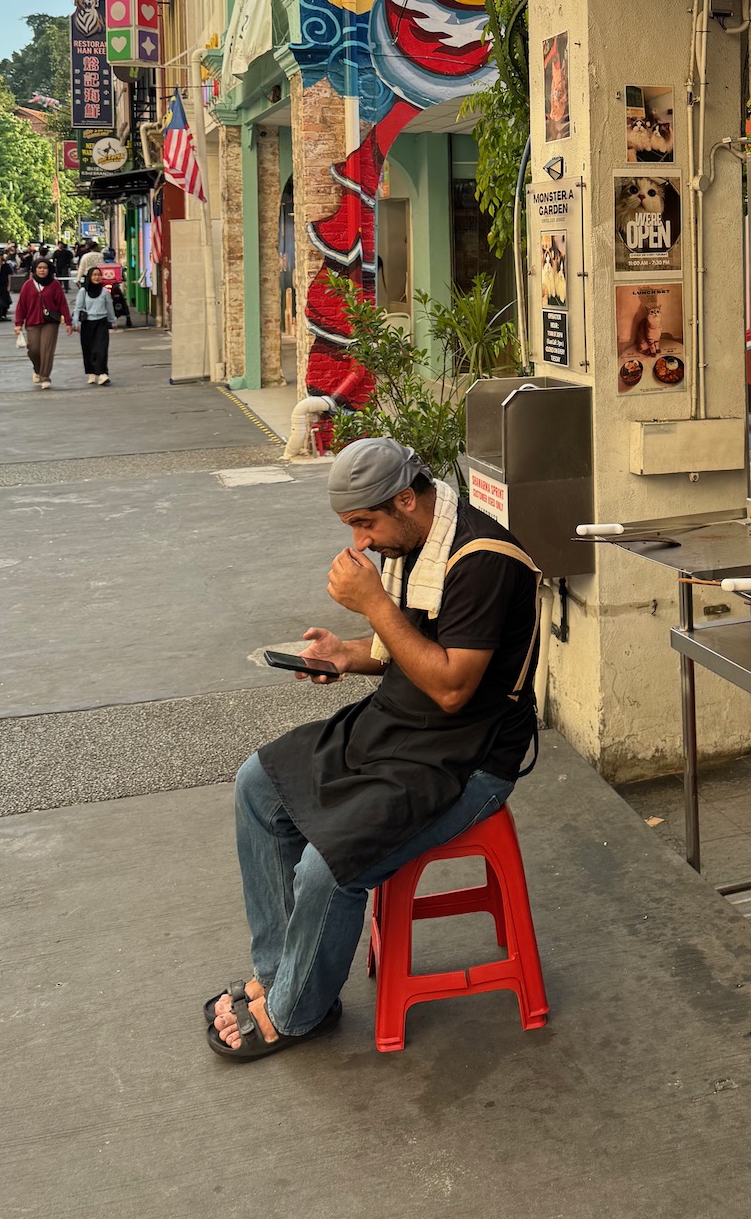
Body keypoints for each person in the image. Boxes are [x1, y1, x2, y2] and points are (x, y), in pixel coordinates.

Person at [205, 439, 540, 1062]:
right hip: (395, 726)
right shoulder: (412, 543)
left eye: (366, 524)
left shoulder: (483, 559)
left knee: (329, 864)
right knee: (258, 783)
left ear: (407, 500)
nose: (360, 542)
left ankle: (298, 1012)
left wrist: (375, 604)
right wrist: (345, 652)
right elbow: (397, 649)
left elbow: (450, 686)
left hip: (467, 757)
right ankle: (283, 974)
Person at [13, 255, 72, 389]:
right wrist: (18, 323)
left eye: (45, 268)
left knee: (47, 350)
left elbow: (62, 304)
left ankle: (45, 376)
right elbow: (21, 305)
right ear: (34, 269)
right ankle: (37, 370)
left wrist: (68, 322)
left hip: (51, 322)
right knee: (33, 350)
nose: (42, 270)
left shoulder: (55, 284)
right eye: (39, 268)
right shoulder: (28, 285)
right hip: (32, 322)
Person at [74, 262, 116, 385]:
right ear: (89, 277)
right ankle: (92, 372)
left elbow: (110, 308)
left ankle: (103, 374)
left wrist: (112, 320)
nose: (97, 277)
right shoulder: (83, 291)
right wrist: (75, 322)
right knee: (89, 349)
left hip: (101, 323)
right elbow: (78, 307)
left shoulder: (104, 292)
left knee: (101, 349)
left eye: (98, 275)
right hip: (87, 324)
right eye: (94, 275)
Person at [0, 250, 14, 322]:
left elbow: (9, 276)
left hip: (4, 284)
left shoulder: (7, 265)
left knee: (5, 300)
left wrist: (9, 286)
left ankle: (4, 315)